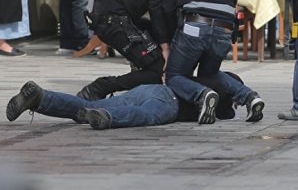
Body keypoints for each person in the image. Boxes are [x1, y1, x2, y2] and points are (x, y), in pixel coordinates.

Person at [162, 0, 265, 125]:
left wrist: (166, 37)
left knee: (175, 76)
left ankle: (202, 94)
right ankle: (249, 96)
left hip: (194, 25)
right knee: (210, 74)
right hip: (224, 30)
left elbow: (167, 3)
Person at [6, 73, 246, 130]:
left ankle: (41, 97)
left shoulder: (201, 77)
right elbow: (226, 114)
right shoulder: (221, 98)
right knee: (146, 117)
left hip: (151, 89)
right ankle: (108, 119)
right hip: (168, 103)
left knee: (84, 107)